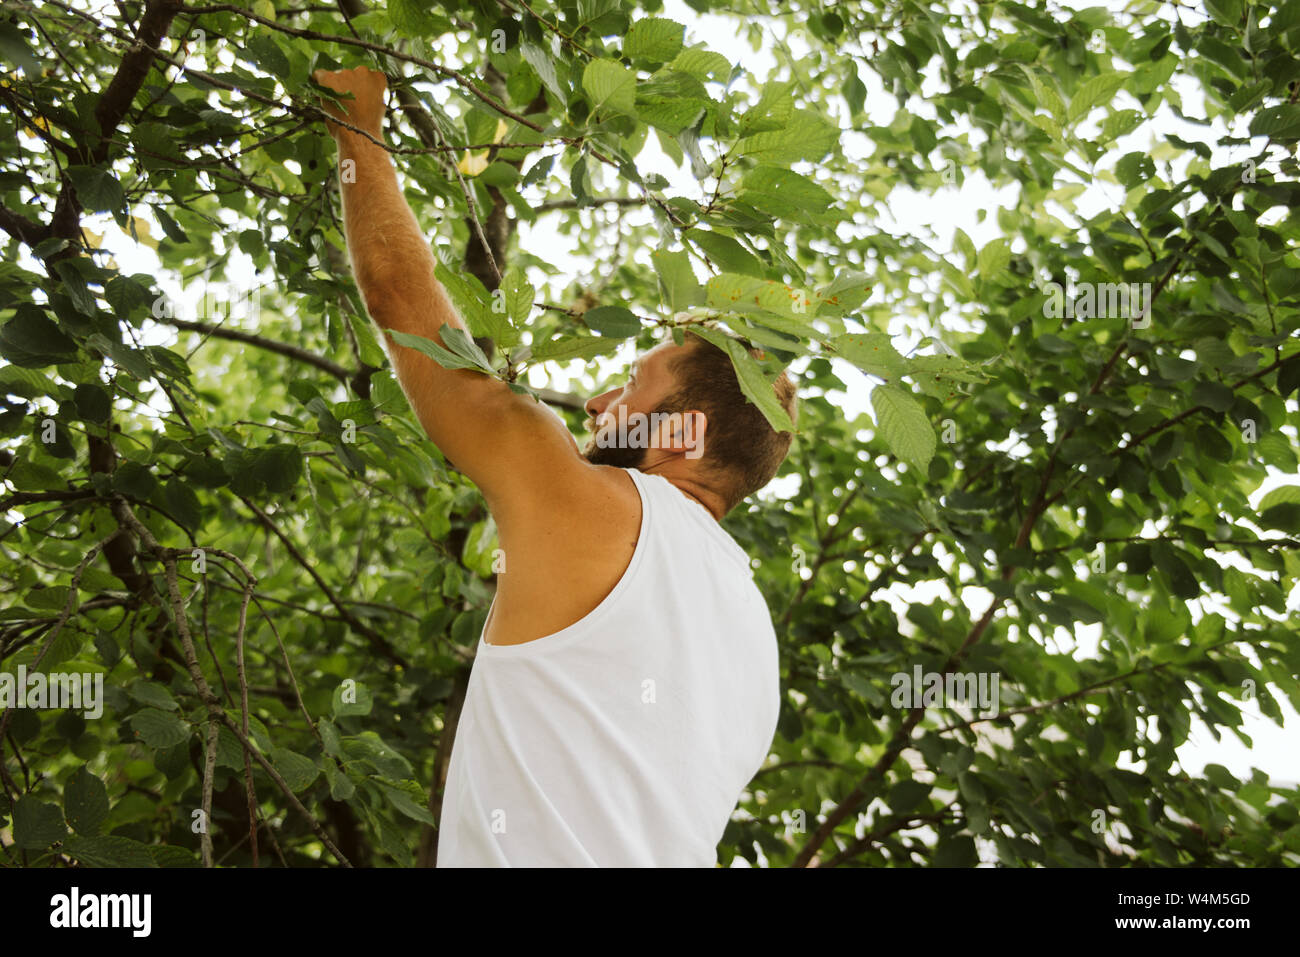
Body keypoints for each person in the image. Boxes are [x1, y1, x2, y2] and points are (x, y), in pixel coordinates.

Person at [314, 66, 798, 866]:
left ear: (684, 431)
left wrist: (355, 126)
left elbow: (402, 294)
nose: (600, 399)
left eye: (637, 382)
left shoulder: (602, 506)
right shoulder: (754, 640)